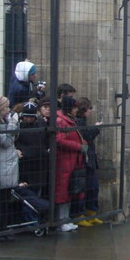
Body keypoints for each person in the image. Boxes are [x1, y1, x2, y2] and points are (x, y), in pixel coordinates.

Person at [54, 96, 86, 232]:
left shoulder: (68, 121)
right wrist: (78, 146)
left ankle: (65, 219)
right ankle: (62, 221)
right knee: (63, 191)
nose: (76, 110)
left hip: (71, 160)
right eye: (74, 107)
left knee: (68, 190)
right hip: (65, 160)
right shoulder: (61, 121)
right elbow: (59, 140)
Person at [71, 98, 102, 225]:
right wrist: (96, 128)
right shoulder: (77, 122)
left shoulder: (81, 121)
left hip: (89, 159)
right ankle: (80, 215)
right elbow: (86, 137)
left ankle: (91, 213)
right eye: (89, 109)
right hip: (84, 160)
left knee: (93, 187)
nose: (91, 111)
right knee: (84, 188)